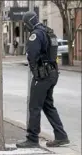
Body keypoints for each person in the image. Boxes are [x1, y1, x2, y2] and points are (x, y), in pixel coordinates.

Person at [16, 11, 70, 148]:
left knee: (34, 106)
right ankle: (61, 136)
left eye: (26, 23)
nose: (26, 26)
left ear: (30, 22)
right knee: (48, 105)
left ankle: (32, 139)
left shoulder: (36, 34)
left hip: (42, 75)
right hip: (52, 73)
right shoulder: (48, 31)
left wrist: (35, 71)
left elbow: (32, 54)